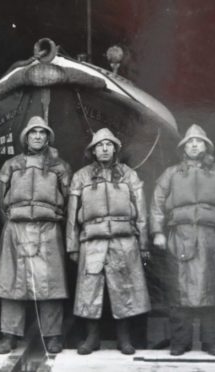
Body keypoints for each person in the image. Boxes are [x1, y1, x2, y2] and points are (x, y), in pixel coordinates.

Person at [150, 124, 215, 356]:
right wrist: (158, 232)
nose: (194, 145)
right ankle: (180, 342)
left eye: (198, 141)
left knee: (211, 289)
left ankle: (211, 342)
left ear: (206, 146)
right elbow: (156, 205)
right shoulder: (171, 174)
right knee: (179, 290)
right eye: (189, 142)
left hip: (211, 238)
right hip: (179, 236)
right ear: (183, 147)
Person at [66, 128, 150, 355]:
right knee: (89, 291)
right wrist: (72, 245)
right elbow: (73, 214)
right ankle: (92, 338)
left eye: (108, 145)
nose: (104, 149)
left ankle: (124, 339)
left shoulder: (128, 174)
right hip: (91, 241)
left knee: (124, 289)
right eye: (99, 146)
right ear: (93, 151)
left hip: (124, 241)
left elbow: (141, 212)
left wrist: (144, 244)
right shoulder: (81, 176)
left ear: (115, 148)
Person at [0, 116, 71, 354]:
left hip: (48, 228)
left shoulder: (60, 166)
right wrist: (11, 219)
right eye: (33, 132)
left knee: (51, 284)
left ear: (48, 137)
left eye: (42, 133)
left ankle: (53, 336)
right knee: (12, 282)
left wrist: (53, 215)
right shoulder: (12, 164)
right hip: (16, 227)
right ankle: (9, 335)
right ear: (25, 137)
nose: (37, 136)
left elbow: (68, 197)